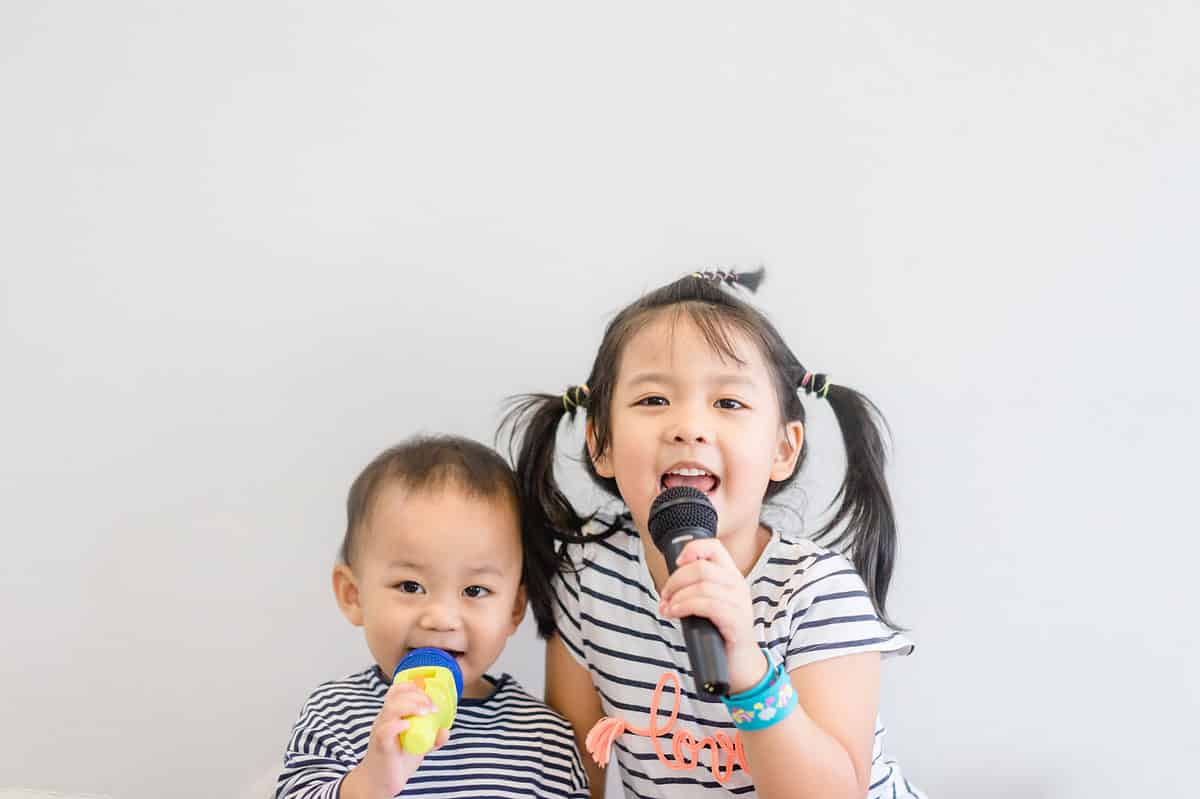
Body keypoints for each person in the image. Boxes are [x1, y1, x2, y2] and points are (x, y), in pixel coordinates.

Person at [504, 269, 926, 798]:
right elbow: (572, 770)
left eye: (728, 403)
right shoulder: (590, 582)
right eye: (654, 400)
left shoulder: (818, 592)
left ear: (783, 449)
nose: (689, 426)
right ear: (600, 443)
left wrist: (748, 668)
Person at [275, 434, 589, 798]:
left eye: (474, 591)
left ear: (514, 609)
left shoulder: (545, 739)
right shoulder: (335, 714)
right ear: (353, 595)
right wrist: (372, 781)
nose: (441, 619)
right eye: (410, 586)